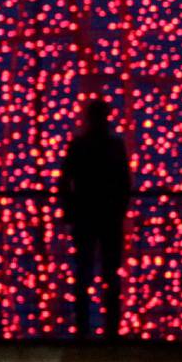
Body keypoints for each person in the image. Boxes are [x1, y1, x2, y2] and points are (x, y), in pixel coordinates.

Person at [56, 98, 132, 338]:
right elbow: (124, 181)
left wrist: (70, 209)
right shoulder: (113, 146)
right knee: (107, 273)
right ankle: (110, 329)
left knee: (86, 271)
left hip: (87, 215)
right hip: (107, 216)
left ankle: (83, 328)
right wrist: (119, 209)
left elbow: (64, 179)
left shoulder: (80, 146)